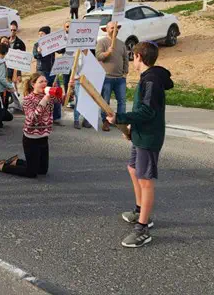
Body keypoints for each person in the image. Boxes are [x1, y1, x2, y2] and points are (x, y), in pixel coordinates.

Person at [106, 42, 173, 248]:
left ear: (138, 57)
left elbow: (147, 112)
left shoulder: (151, 80)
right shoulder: (148, 78)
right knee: (133, 169)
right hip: (141, 134)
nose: (132, 59)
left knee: (146, 181)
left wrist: (120, 118)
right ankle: (139, 210)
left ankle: (143, 227)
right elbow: (144, 110)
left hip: (149, 137)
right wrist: (131, 129)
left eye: (133, 56)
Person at [0, 73, 62, 178]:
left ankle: (17, 162)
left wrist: (63, 89)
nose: (44, 83)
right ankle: (1, 166)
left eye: (45, 81)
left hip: (44, 138)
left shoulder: (48, 96)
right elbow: (33, 118)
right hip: (31, 139)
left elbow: (61, 100)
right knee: (31, 173)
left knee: (42, 171)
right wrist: (45, 100)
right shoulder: (28, 99)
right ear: (33, 84)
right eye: (41, 81)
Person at [96, 22, 129, 131]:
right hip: (106, 78)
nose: (115, 30)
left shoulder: (121, 44)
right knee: (105, 102)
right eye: (112, 28)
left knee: (122, 101)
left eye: (116, 28)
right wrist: (107, 52)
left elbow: (125, 59)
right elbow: (98, 56)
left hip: (120, 78)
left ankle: (120, 122)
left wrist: (125, 73)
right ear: (106, 29)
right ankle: (105, 121)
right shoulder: (102, 42)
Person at [32, 26, 62, 124]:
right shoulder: (37, 44)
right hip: (42, 72)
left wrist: (62, 42)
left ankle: (56, 117)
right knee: (42, 95)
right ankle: (41, 117)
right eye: (39, 34)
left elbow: (61, 51)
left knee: (56, 93)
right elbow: (35, 55)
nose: (40, 35)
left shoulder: (52, 43)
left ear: (47, 35)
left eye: (42, 34)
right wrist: (39, 52)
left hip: (53, 71)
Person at [70, 49, 93, 129]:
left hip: (88, 81)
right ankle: (76, 120)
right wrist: (76, 77)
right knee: (79, 101)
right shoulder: (76, 53)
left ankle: (86, 120)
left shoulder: (90, 53)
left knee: (88, 100)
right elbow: (73, 68)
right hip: (78, 80)